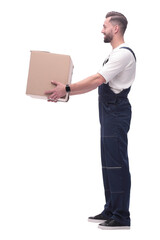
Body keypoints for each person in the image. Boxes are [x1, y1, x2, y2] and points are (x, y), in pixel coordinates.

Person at [45, 11, 136, 230]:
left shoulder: (123, 54)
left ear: (116, 29)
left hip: (116, 111)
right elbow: (96, 82)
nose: (101, 29)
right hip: (108, 112)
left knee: (117, 163)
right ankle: (111, 209)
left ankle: (122, 216)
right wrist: (63, 94)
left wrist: (66, 88)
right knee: (108, 163)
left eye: (104, 26)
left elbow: (97, 80)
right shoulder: (114, 54)